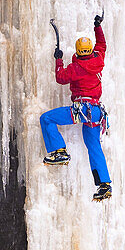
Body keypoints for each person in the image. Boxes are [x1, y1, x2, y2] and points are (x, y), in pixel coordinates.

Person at [40, 15, 112, 201]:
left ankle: (59, 151)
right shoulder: (98, 59)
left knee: (46, 119)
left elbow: (61, 78)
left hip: (83, 108)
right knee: (93, 145)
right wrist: (98, 27)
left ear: (79, 52)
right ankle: (104, 185)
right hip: (96, 113)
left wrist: (58, 60)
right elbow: (102, 45)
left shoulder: (76, 68)